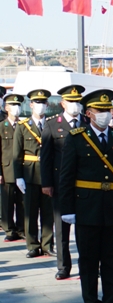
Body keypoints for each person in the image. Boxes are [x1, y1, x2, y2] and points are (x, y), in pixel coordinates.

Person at [59, 89, 113, 303]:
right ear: (89, 113)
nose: (105, 114)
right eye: (100, 110)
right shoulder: (76, 138)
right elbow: (66, 176)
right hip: (87, 207)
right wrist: (67, 209)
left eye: (108, 110)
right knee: (89, 260)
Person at [41, 85, 85, 279]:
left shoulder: (87, 123)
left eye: (77, 101)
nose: (75, 105)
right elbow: (46, 157)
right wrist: (46, 183)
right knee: (61, 229)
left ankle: (86, 264)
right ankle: (63, 266)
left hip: (84, 184)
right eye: (71, 101)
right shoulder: (52, 125)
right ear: (63, 103)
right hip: (61, 185)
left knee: (85, 228)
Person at [14, 89, 54, 258]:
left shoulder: (52, 124)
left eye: (43, 102)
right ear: (31, 105)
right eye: (37, 102)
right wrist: (18, 176)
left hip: (48, 175)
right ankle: (32, 245)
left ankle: (47, 244)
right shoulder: (23, 126)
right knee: (30, 212)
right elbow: (16, 154)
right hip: (30, 174)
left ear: (47, 104)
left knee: (48, 212)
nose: (40, 105)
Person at [1, 94, 25, 242]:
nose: (16, 108)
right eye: (13, 105)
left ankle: (22, 228)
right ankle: (9, 229)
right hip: (7, 169)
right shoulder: (1, 127)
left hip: (23, 169)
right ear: (6, 108)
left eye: (18, 105)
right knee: (7, 202)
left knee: (22, 201)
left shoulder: (24, 126)